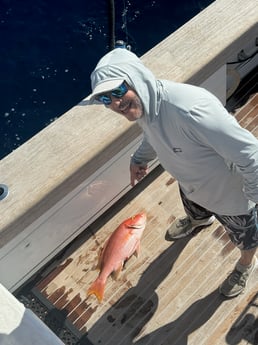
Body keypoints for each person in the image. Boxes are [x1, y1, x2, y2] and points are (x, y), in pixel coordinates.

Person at [87, 47, 258, 298]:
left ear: (137, 80)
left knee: (246, 238)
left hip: (230, 199)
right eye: (105, 99)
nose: (115, 103)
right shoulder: (144, 106)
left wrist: (252, 199)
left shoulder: (191, 109)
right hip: (190, 185)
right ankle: (198, 220)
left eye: (118, 91)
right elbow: (151, 133)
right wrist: (139, 158)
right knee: (195, 211)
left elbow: (251, 154)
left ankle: (245, 265)